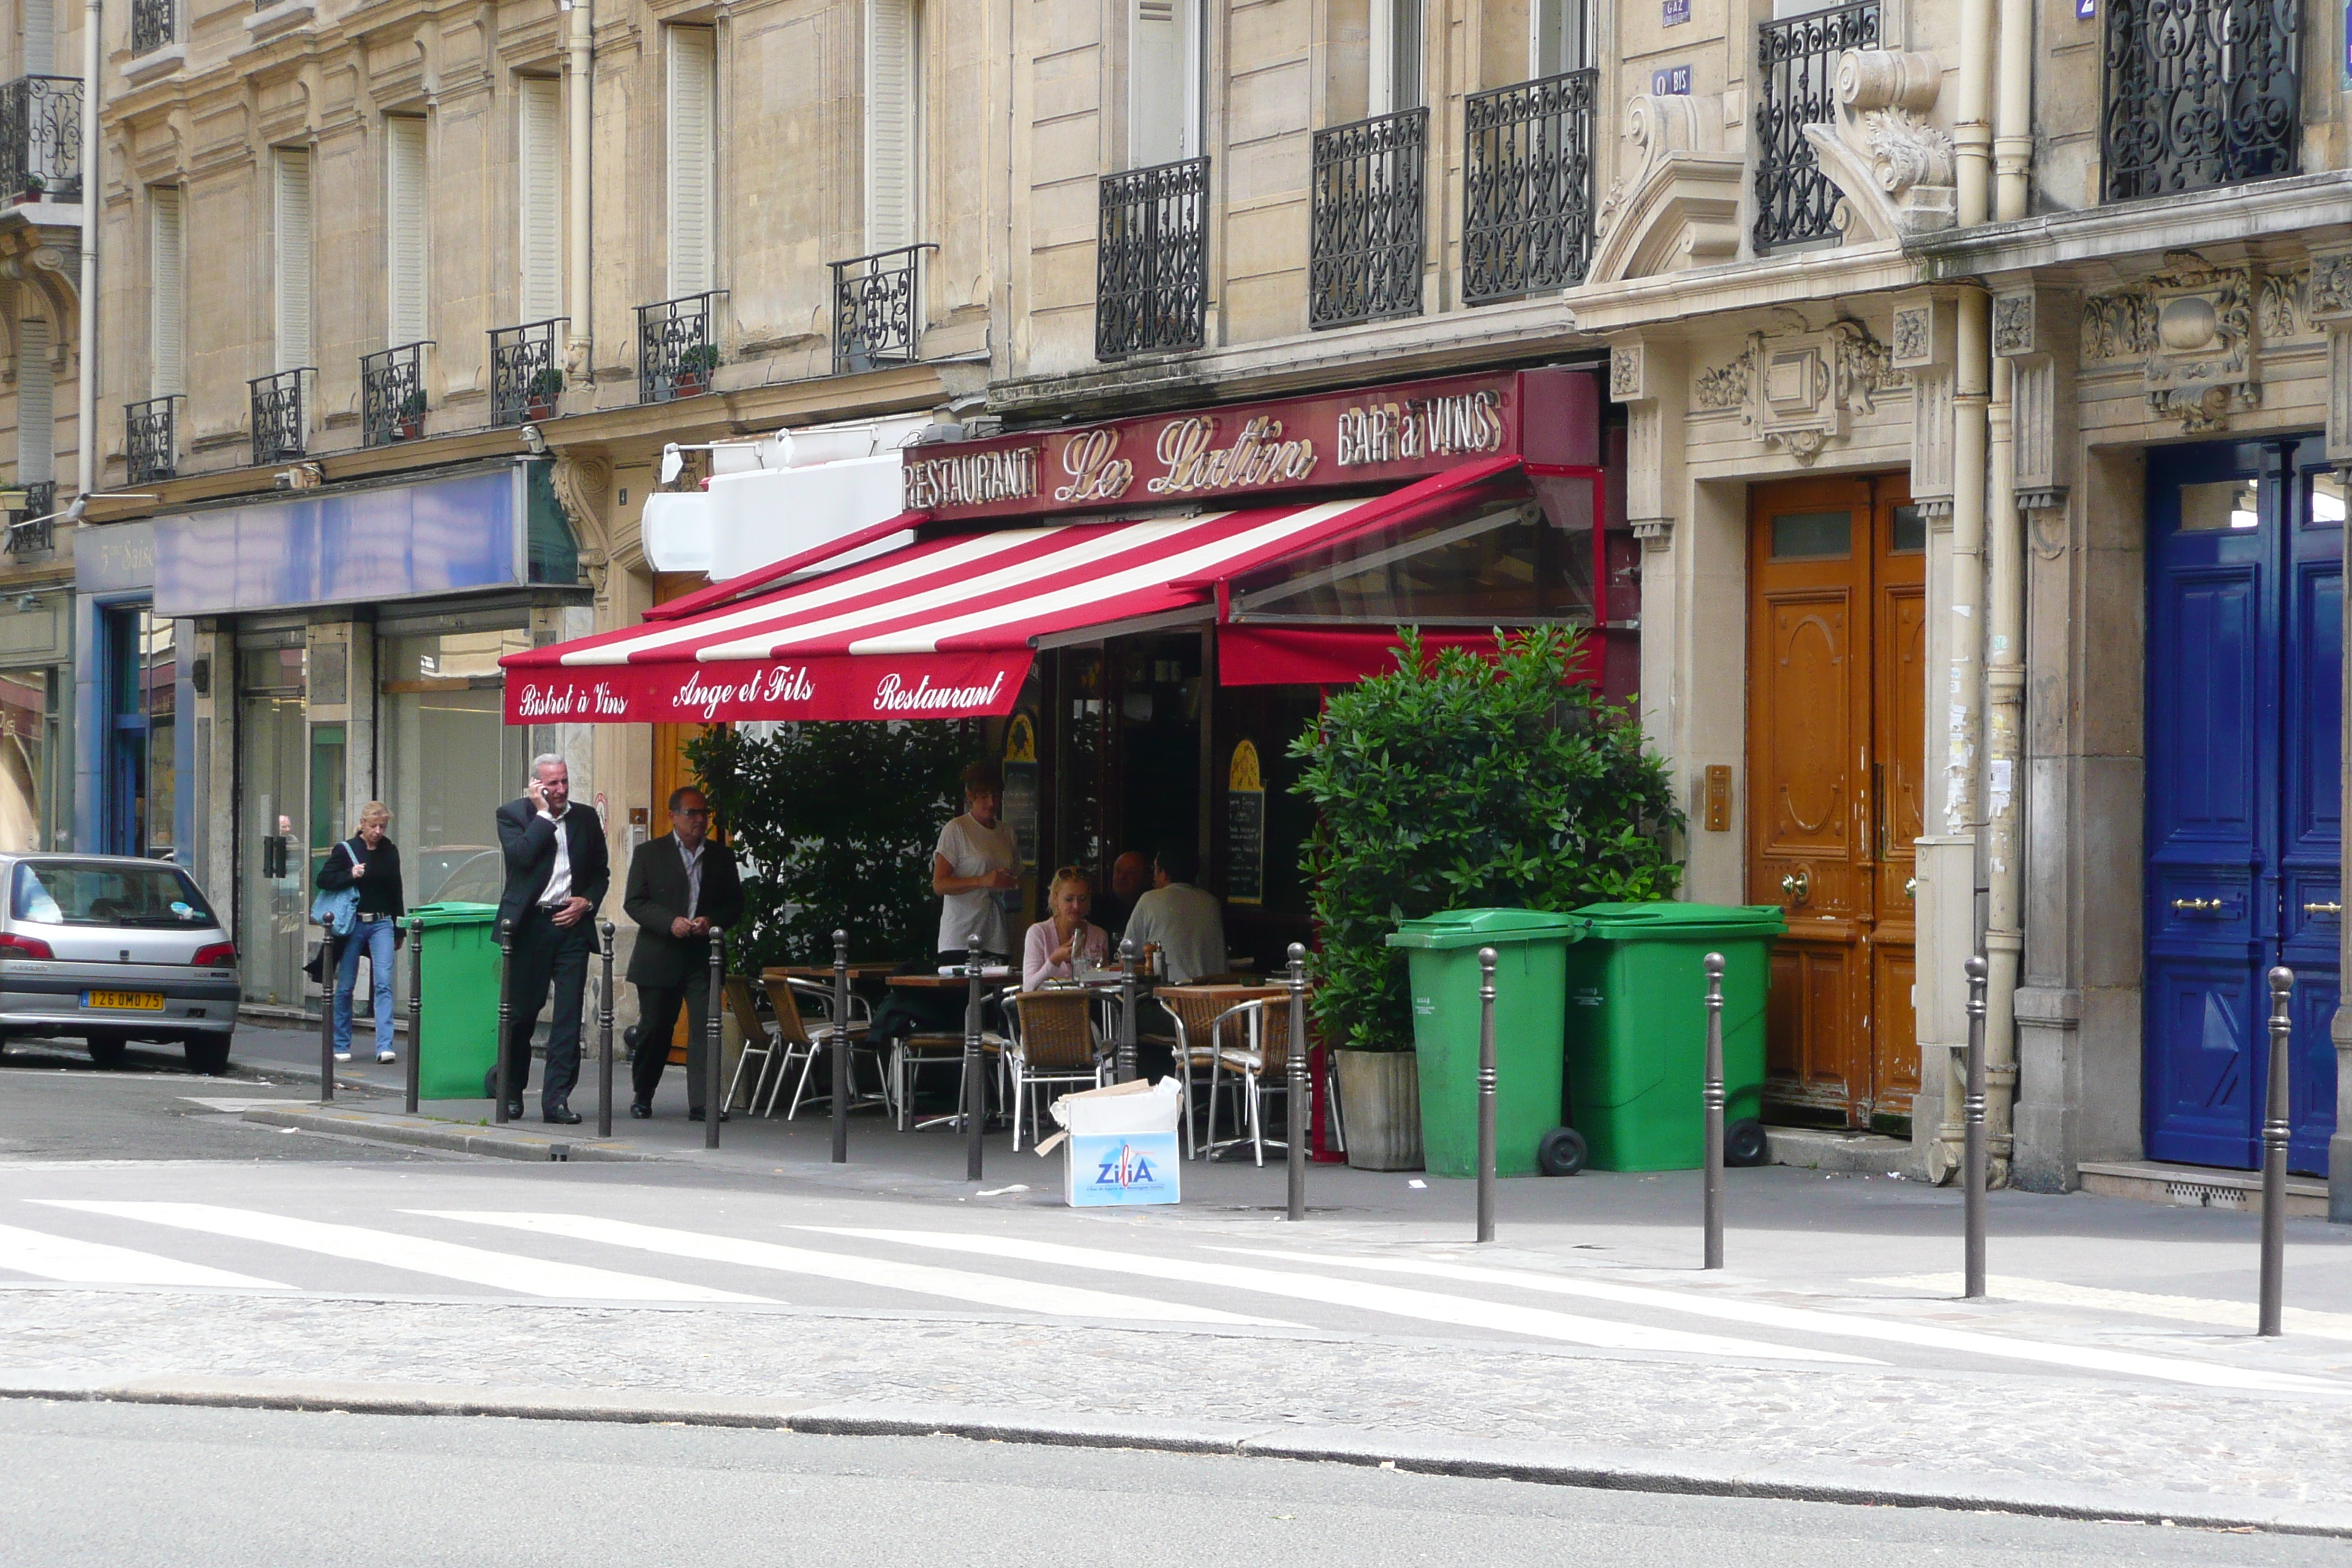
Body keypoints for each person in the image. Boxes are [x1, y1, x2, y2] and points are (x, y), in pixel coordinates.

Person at [494, 754, 610, 1124]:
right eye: (552, 784)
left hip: (571, 926)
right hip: (530, 925)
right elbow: (522, 858)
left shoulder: (586, 818)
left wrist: (587, 901)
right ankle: (511, 1091)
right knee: (522, 1015)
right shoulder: (513, 815)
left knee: (567, 1017)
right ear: (536, 786)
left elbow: (600, 873)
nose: (560, 790)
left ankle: (556, 1100)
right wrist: (544, 814)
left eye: (564, 782)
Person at [621, 785, 744, 1121]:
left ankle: (702, 1103)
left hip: (702, 956)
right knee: (656, 1028)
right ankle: (643, 1094)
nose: (700, 820)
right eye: (692, 813)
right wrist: (668, 922)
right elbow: (634, 902)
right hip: (660, 954)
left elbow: (735, 904)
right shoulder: (650, 854)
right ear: (673, 816)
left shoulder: (721, 856)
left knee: (706, 1027)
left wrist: (711, 921)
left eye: (704, 813)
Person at [316, 801, 405, 1065]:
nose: (378, 831)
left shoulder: (390, 851)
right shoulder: (346, 850)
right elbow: (323, 880)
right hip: (353, 923)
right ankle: (341, 1043)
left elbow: (395, 889)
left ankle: (385, 1046)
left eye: (383, 826)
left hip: (381, 923)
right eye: (373, 826)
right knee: (346, 986)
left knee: (384, 982)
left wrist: (398, 926)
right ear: (362, 824)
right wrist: (349, 874)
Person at [931, 759, 1019, 958]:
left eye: (996, 796)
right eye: (984, 796)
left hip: (997, 936)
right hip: (961, 938)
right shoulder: (957, 829)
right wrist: (982, 881)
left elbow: (1016, 875)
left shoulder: (1007, 832)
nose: (991, 803)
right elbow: (940, 884)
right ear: (970, 796)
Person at [1122, 840, 1226, 984]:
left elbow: (1127, 953)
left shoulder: (1149, 899)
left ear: (1164, 874)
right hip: (1215, 1000)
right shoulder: (1212, 903)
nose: (1153, 878)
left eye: (1156, 870)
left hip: (1171, 999)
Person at [1022, 866, 1110, 990]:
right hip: (1047, 1007)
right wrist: (1054, 961)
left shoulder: (1099, 935)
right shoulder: (1038, 933)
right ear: (1055, 898)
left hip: (1088, 1006)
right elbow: (1028, 988)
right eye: (1069, 899)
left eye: (1082, 899)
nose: (1076, 906)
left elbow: (1105, 986)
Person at [1095, 850, 1152, 940]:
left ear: (1146, 878)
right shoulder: (1097, 906)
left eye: (1131, 872)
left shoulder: (1151, 908)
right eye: (1118, 871)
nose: (1122, 877)